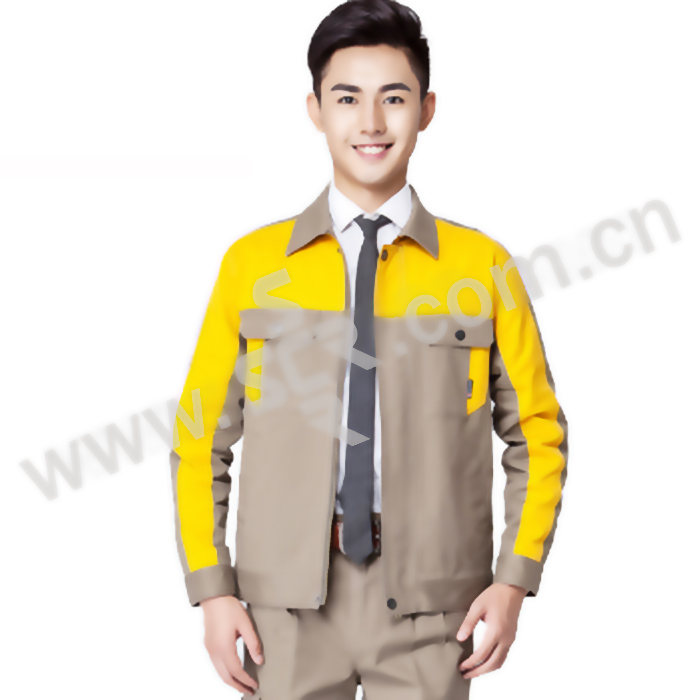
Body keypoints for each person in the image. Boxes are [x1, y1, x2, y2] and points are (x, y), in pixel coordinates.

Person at [170, 1, 569, 697]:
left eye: (395, 97)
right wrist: (212, 587)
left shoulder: (483, 268)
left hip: (435, 609)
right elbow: (200, 434)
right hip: (282, 613)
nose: (372, 122)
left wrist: (514, 579)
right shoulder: (252, 266)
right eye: (348, 98)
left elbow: (536, 432)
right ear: (316, 110)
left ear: (428, 109)